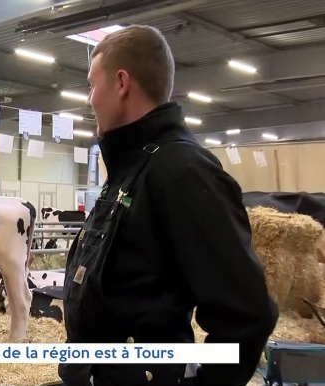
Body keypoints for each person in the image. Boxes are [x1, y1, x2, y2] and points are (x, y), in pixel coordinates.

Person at [58, 25, 278, 386]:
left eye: (92, 85)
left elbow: (247, 314)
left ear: (121, 83)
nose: (89, 99)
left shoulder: (182, 171)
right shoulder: (132, 167)